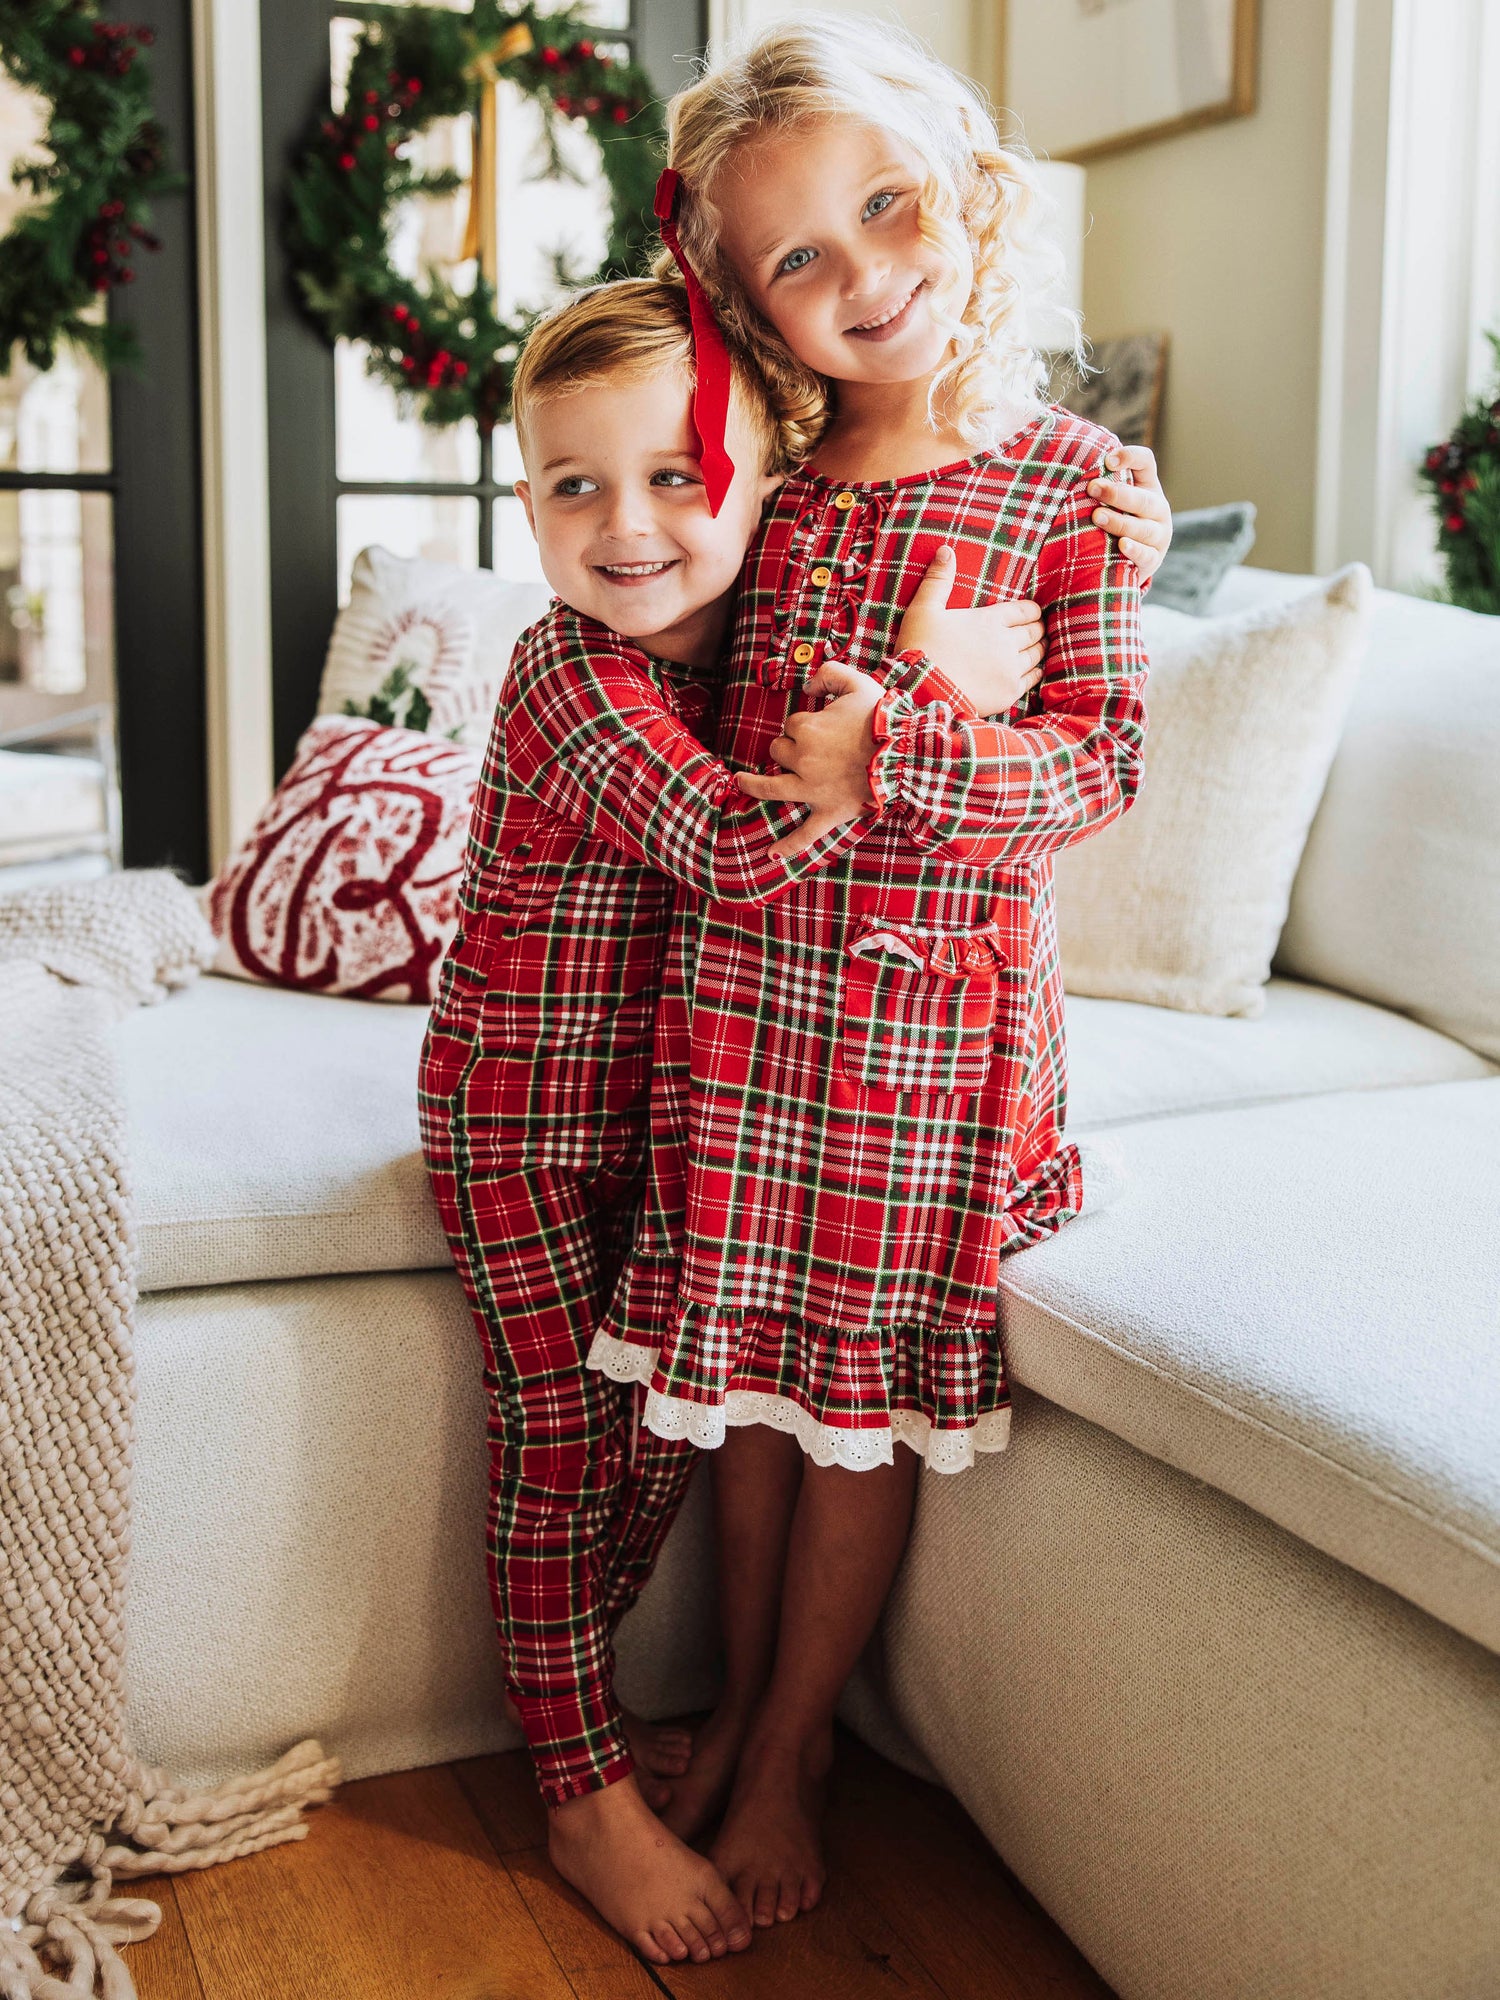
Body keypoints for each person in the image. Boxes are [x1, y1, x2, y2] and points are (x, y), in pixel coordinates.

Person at [583, 13, 1157, 1932]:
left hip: (922, 1045)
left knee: (851, 1412)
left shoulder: (1071, 485)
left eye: (888, 211)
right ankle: (751, 1708)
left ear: (970, 199)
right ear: (745, 301)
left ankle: (797, 1731)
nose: (865, 277)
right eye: (797, 258)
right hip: (745, 1017)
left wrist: (890, 753)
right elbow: (659, 622)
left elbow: (1100, 769)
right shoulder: (777, 482)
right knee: (744, 1399)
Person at [416, 274, 1056, 1967]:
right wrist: (918, 691)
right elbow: (745, 855)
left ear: (769, 473)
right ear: (526, 507)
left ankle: (611, 1731)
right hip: (528, 1127)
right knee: (563, 1446)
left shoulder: (765, 622)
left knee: (651, 1444)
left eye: (678, 472)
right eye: (572, 486)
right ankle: (575, 1791)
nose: (628, 526)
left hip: (687, 1118)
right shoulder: (572, 678)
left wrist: (1113, 498)